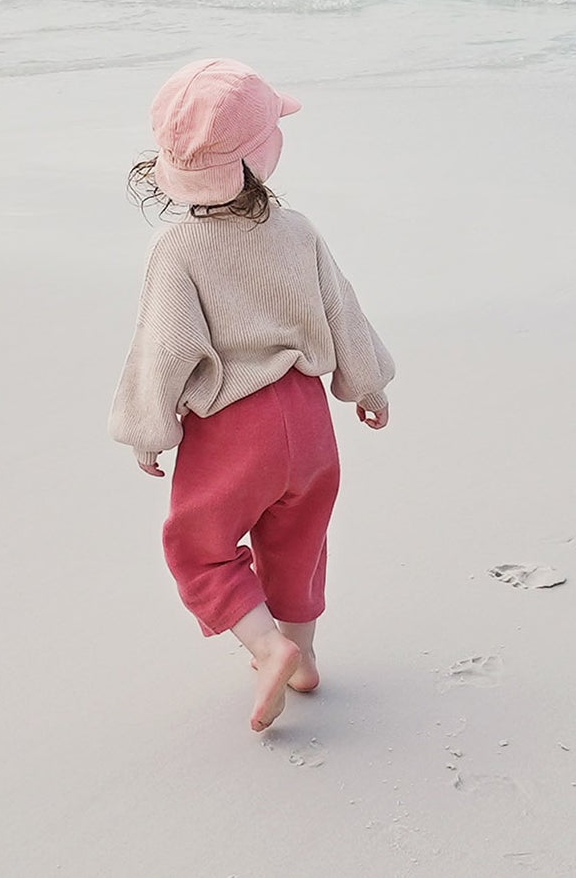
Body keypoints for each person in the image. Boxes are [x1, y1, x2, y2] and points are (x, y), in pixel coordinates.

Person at [110, 58, 394, 732]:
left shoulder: (177, 246)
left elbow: (166, 346)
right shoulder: (297, 231)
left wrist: (151, 428)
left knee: (199, 546)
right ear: (263, 153)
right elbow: (339, 309)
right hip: (307, 421)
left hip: (234, 431)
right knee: (297, 539)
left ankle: (268, 649)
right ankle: (304, 657)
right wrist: (367, 382)